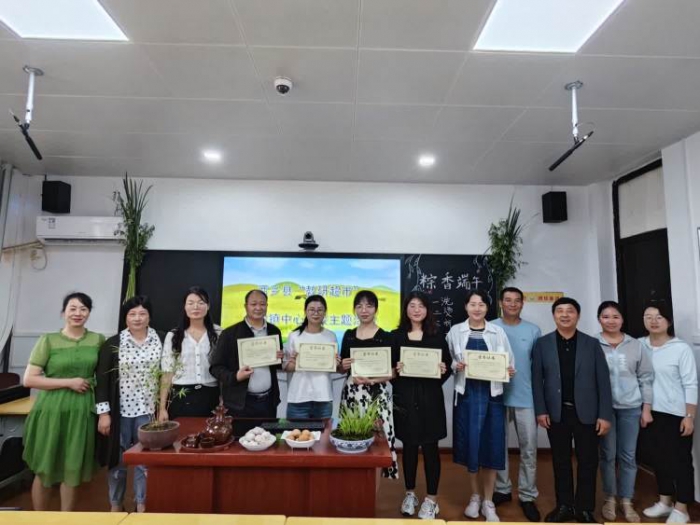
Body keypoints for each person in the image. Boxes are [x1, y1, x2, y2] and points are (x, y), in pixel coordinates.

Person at [531, 297, 612, 523]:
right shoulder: (542, 344)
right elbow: (537, 380)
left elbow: (603, 381)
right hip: (556, 413)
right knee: (561, 461)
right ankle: (564, 505)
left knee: (588, 461)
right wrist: (540, 410)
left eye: (570, 311)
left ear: (578, 315)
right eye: (560, 311)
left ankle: (585, 509)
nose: (565, 315)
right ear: (554, 315)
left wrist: (605, 414)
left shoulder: (591, 343)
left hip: (587, 412)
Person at [22, 292, 105, 511]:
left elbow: (105, 377)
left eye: (83, 309)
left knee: (72, 467)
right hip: (51, 410)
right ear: (63, 312)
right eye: (73, 308)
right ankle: (39, 519)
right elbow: (29, 379)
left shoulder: (98, 340)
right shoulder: (48, 340)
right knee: (45, 467)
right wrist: (69, 382)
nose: (78, 313)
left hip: (82, 410)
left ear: (89, 313)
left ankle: (65, 519)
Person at [447, 289, 515, 523]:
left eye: (481, 304)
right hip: (467, 396)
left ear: (488, 308)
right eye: (472, 304)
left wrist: (508, 370)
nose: (477, 308)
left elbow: (509, 361)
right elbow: (448, 360)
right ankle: (475, 496)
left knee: (491, 446)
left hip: (491, 396)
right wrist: (456, 366)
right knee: (472, 446)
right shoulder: (455, 331)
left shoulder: (498, 332)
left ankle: (488, 501)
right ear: (466, 307)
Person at [96, 295, 165, 513]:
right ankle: (116, 504)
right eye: (132, 314)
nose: (137, 318)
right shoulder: (113, 344)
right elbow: (102, 381)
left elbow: (167, 375)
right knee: (118, 461)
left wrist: (163, 408)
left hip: (149, 412)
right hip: (121, 412)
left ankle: (142, 503)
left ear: (149, 317)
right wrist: (103, 414)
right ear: (125, 317)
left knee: (146, 461)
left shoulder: (162, 339)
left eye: (142, 313)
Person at [393, 291, 452, 520]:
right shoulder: (397, 336)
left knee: (430, 449)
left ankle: (431, 500)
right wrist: (396, 369)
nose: (416, 310)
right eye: (412, 305)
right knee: (408, 448)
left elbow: (446, 367)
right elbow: (390, 370)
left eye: (421, 306)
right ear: (406, 309)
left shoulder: (437, 337)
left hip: (430, 401)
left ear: (427, 310)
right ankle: (410, 494)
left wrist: (442, 371)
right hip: (405, 400)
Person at [639, 301, 697, 524]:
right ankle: (664, 502)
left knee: (680, 461)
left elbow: (690, 384)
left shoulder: (680, 348)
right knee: (658, 459)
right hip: (649, 412)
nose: (653, 321)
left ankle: (682, 508)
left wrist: (689, 416)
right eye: (648, 316)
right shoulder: (639, 345)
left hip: (676, 414)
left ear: (669, 321)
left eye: (659, 317)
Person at [596, 301, 653, 523]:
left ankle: (626, 500)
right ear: (599, 319)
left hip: (631, 407)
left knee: (628, 456)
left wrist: (646, 408)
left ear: (622, 319)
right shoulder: (592, 343)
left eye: (615, 316)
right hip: (604, 409)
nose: (611, 321)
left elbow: (645, 377)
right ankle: (609, 498)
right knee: (608, 455)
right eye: (606, 316)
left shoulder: (636, 345)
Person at [492, 287, 542, 522]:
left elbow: (538, 366)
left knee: (529, 448)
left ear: (522, 304)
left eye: (517, 300)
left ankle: (527, 494)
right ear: (501, 303)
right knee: (498, 445)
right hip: (497, 396)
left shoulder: (533, 330)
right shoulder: (491, 327)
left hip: (526, 397)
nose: (512, 304)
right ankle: (502, 489)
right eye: (508, 300)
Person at [339, 289, 398, 479]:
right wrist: (342, 365)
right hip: (352, 394)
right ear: (354, 309)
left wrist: (372, 380)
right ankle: (354, 486)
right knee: (352, 438)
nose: (364, 310)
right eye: (359, 306)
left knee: (378, 444)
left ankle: (373, 491)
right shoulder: (349, 335)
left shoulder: (387, 337)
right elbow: (342, 369)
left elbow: (393, 372)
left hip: (377, 395)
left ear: (376, 309)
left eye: (369, 306)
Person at [210, 289, 284, 417]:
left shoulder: (274, 331)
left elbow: (275, 365)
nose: (258, 308)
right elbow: (216, 368)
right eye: (253, 304)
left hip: (268, 402)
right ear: (246, 306)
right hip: (240, 404)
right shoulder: (229, 333)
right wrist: (235, 376)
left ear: (267, 306)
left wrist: (279, 358)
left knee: (268, 431)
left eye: (262, 304)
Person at [159, 286, 220, 421]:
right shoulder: (174, 335)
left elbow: (223, 368)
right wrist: (162, 408)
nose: (195, 307)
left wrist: (223, 400)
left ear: (208, 306)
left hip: (211, 395)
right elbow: (167, 372)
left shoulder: (218, 333)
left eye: (201, 302)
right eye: (190, 303)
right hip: (181, 396)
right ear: (185, 307)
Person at [283, 295, 339, 419]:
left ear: (325, 312)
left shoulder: (331, 336)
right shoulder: (294, 336)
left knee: (323, 433)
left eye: (320, 310)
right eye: (311, 309)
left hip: (324, 398)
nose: (316, 313)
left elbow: (334, 366)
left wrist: (336, 363)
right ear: (305, 311)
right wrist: (294, 362)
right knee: (296, 432)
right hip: (298, 398)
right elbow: (286, 367)